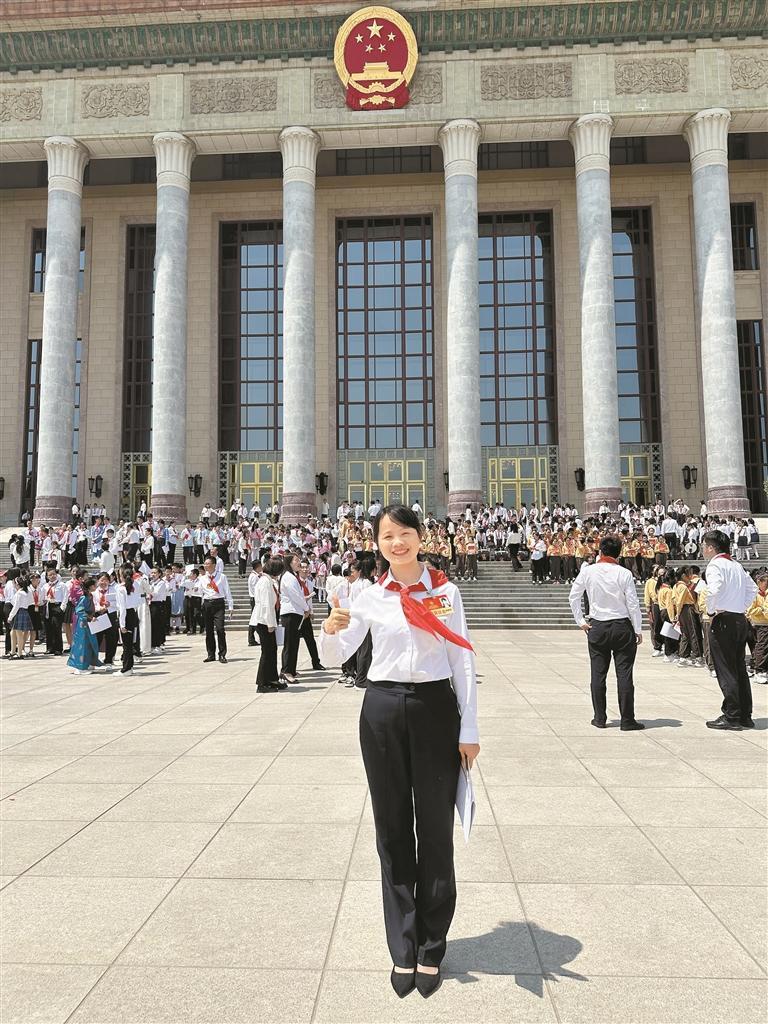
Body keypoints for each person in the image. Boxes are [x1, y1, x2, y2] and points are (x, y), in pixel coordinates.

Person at [319, 504, 479, 999]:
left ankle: (432, 946)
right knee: (391, 830)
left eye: (405, 533)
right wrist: (329, 630)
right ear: (377, 543)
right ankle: (403, 945)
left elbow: (462, 659)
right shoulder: (368, 595)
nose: (398, 543)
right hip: (383, 709)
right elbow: (338, 655)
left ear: (420, 537)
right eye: (387, 536)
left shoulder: (445, 592)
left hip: (435, 710)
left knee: (434, 829)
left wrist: (469, 728)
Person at [568, 535, 644, 730]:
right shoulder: (624, 573)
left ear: (600, 551)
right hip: (621, 626)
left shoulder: (588, 571)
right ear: (619, 553)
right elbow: (633, 603)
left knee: (597, 674)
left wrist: (581, 621)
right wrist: (637, 628)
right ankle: (627, 720)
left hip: (598, 626)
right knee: (624, 674)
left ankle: (599, 718)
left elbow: (573, 596)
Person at [702, 530, 758, 730]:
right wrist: (740, 606)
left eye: (704, 546)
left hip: (723, 619)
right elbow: (753, 589)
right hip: (739, 619)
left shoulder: (715, 565)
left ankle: (732, 715)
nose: (703, 549)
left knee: (726, 669)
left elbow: (713, 590)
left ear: (711, 547)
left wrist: (711, 611)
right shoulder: (736, 565)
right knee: (739, 667)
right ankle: (745, 714)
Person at [251, 557, 285, 692]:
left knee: (272, 650)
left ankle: (272, 678)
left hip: (267, 620)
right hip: (263, 621)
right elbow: (266, 605)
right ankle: (262, 683)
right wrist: (270, 624)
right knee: (266, 652)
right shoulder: (265, 582)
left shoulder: (268, 581)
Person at [278, 553, 311, 684]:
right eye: (296, 560)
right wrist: (306, 608)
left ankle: (291, 669)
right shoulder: (288, 577)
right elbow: (296, 596)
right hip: (290, 613)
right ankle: (286, 671)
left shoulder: (292, 576)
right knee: (289, 643)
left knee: (294, 643)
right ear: (289, 563)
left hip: (295, 612)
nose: (299, 563)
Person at [67, 578, 104, 675]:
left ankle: (89, 663)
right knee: (82, 645)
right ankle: (80, 667)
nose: (96, 586)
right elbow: (79, 610)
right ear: (91, 586)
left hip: (89, 623)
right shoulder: (84, 597)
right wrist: (90, 618)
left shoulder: (90, 595)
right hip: (83, 624)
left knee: (90, 644)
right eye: (95, 585)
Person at [200, 556, 233, 664]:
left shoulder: (221, 577)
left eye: (207, 563)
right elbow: (200, 592)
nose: (205, 565)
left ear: (214, 565)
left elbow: (227, 591)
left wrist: (230, 606)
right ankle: (211, 654)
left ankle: (222, 654)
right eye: (205, 563)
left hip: (218, 604)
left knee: (220, 629)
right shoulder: (202, 578)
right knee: (209, 630)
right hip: (207, 604)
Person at [115, 567, 141, 676]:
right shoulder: (136, 585)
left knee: (126, 644)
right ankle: (129, 667)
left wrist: (122, 624)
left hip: (125, 615)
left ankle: (126, 669)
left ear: (122, 576)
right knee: (130, 643)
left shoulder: (120, 588)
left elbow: (122, 607)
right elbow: (138, 600)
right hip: (133, 613)